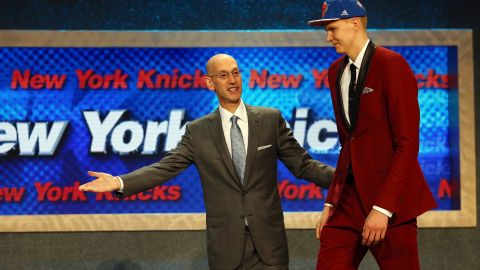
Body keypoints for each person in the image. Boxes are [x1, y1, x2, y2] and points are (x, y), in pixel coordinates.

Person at [79, 53, 335, 270]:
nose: (232, 80)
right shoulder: (198, 131)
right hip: (226, 247)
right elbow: (165, 167)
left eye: (235, 73)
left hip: (269, 244)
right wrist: (120, 182)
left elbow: (304, 165)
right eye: (223, 75)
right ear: (210, 83)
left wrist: (348, 178)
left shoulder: (270, 119)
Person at [307, 1, 437, 269]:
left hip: (390, 202)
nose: (328, 37)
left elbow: (407, 144)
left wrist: (383, 208)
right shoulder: (335, 72)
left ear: (355, 23)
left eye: (332, 28)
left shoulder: (392, 65)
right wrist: (331, 201)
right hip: (348, 200)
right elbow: (348, 145)